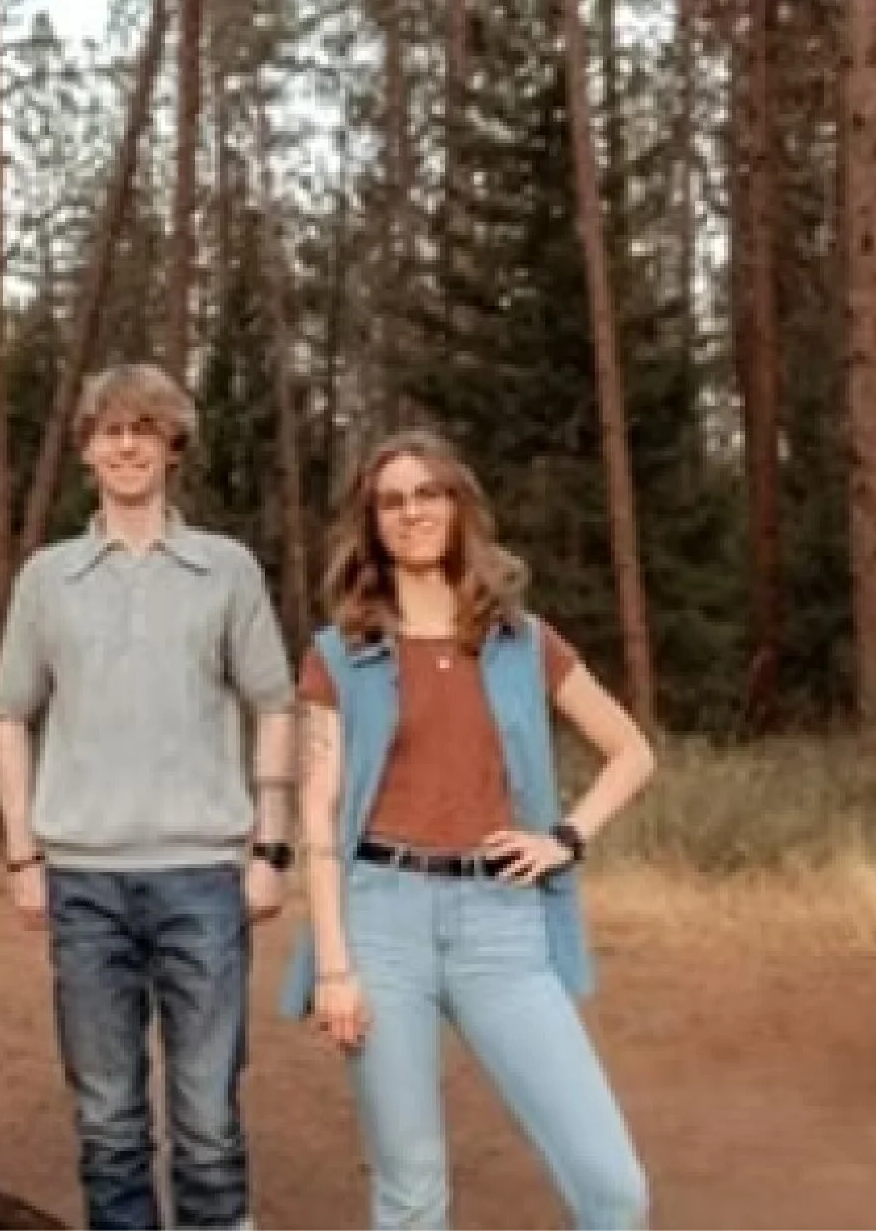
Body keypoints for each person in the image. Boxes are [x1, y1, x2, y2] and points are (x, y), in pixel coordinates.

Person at [279, 428, 655, 1229]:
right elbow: (316, 811)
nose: (410, 511)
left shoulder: (523, 642)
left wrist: (565, 836)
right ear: (370, 523)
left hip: (502, 927)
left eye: (427, 493)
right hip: (380, 924)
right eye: (391, 501)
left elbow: (631, 752)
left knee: (612, 1186)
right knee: (410, 1192)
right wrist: (335, 966)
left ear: (457, 507)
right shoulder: (338, 655)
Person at [0, 365, 296, 1230]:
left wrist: (270, 850)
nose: (126, 446)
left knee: (206, 1124)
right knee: (108, 1124)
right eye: (109, 431)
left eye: (144, 430)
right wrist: (23, 852)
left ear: (171, 446)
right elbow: (5, 714)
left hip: (203, 878)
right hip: (83, 886)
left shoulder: (225, 570)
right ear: (86, 448)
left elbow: (274, 705)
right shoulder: (47, 579)